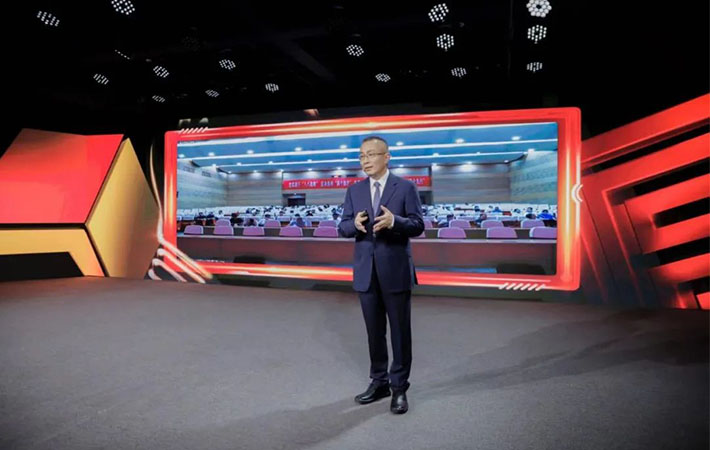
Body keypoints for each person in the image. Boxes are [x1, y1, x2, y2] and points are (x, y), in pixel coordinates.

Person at [338, 136, 424, 415]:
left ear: (387, 157)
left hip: (395, 270)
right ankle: (379, 382)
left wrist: (394, 221)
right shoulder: (354, 190)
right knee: (374, 333)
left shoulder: (406, 187)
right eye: (362, 156)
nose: (365, 160)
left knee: (400, 332)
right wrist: (354, 224)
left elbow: (418, 225)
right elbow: (342, 227)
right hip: (366, 272)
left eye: (371, 154)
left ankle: (399, 388)